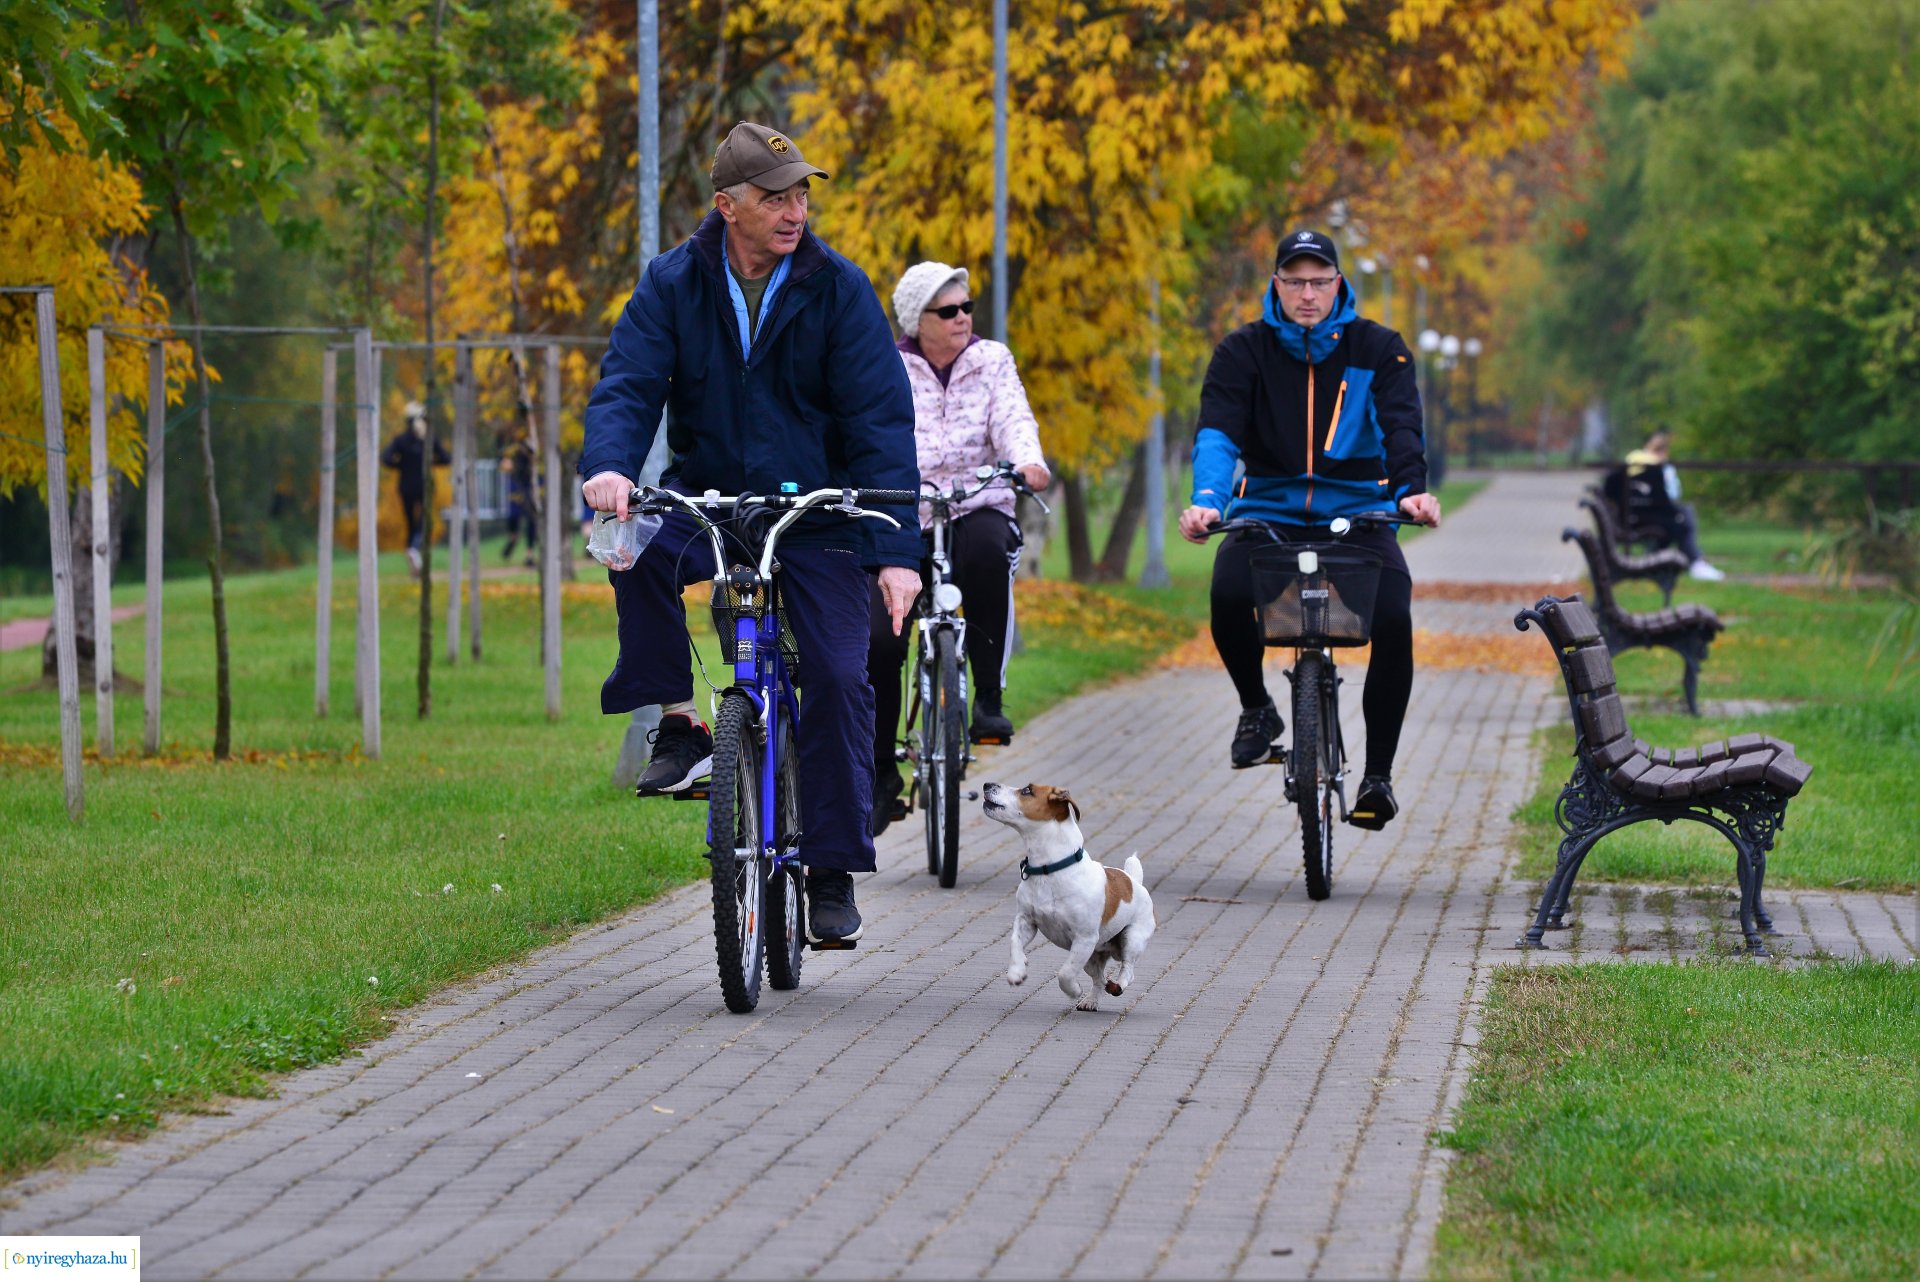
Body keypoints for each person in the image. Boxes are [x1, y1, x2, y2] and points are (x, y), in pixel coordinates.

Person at [578, 121, 921, 946]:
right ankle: (679, 727)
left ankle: (833, 871)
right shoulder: (672, 283)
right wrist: (612, 469)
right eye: (775, 196)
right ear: (727, 206)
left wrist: (897, 552)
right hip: (716, 500)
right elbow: (628, 383)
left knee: (840, 675)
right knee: (637, 554)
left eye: (801, 193)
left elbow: (880, 420)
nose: (794, 209)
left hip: (818, 515)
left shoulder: (837, 287)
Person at [1178, 229, 1440, 831]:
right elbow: (1218, 434)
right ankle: (1256, 710)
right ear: (1276, 284)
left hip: (1360, 509)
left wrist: (1411, 492)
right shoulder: (1242, 352)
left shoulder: (1379, 349)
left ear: (1338, 284)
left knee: (1394, 618)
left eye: (1319, 281)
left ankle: (1377, 776)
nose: (1307, 294)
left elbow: (1402, 429)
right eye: (1294, 280)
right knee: (1226, 592)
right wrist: (1208, 502)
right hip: (1268, 508)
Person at [866, 261, 1051, 836]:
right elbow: (869, 433)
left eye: (967, 307)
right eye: (949, 311)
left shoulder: (991, 359)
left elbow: (1014, 418)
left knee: (989, 556)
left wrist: (1029, 461)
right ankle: (878, 775)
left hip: (977, 500)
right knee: (879, 636)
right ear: (916, 321)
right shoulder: (887, 366)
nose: (963, 318)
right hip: (903, 511)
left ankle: (989, 701)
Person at [1624, 431, 1724, 580]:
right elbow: (1671, 495)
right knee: (1683, 518)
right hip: (1645, 516)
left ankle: (1695, 562)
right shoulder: (1655, 465)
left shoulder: (1634, 458)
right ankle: (1696, 562)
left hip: (1635, 515)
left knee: (1684, 514)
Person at [380, 401, 450, 575]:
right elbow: (446, 459)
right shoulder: (429, 439)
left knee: (410, 521)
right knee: (424, 520)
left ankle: (412, 553)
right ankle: (414, 549)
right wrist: (429, 462)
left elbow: (386, 459)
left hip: (405, 486)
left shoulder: (400, 440)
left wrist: (402, 464)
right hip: (425, 485)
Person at [499, 440, 538, 566]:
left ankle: (529, 554)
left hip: (530, 485)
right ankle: (513, 538)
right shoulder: (511, 440)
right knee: (514, 517)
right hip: (517, 484)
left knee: (531, 520)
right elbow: (503, 461)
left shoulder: (535, 436)